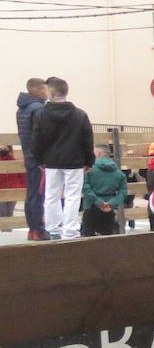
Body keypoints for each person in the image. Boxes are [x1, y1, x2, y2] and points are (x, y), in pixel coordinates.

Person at [28, 76, 94, 240]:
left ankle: (53, 229)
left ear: (50, 92)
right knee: (72, 196)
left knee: (51, 195)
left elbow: (36, 140)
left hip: (51, 161)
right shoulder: (80, 114)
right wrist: (89, 161)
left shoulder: (41, 114)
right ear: (66, 91)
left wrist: (39, 160)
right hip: (74, 161)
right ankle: (70, 231)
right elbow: (87, 139)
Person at [15, 77, 49, 239]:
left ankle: (32, 229)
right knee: (39, 194)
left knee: (31, 194)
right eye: (45, 89)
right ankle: (38, 229)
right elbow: (41, 136)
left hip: (28, 156)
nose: (47, 92)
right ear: (36, 90)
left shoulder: (22, 109)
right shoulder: (38, 109)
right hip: (39, 158)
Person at [79, 145, 127, 237]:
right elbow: (123, 192)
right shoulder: (119, 173)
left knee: (87, 238)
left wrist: (98, 202)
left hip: (91, 206)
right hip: (109, 208)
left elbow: (85, 187)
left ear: (98, 154)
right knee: (107, 238)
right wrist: (112, 203)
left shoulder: (89, 170)